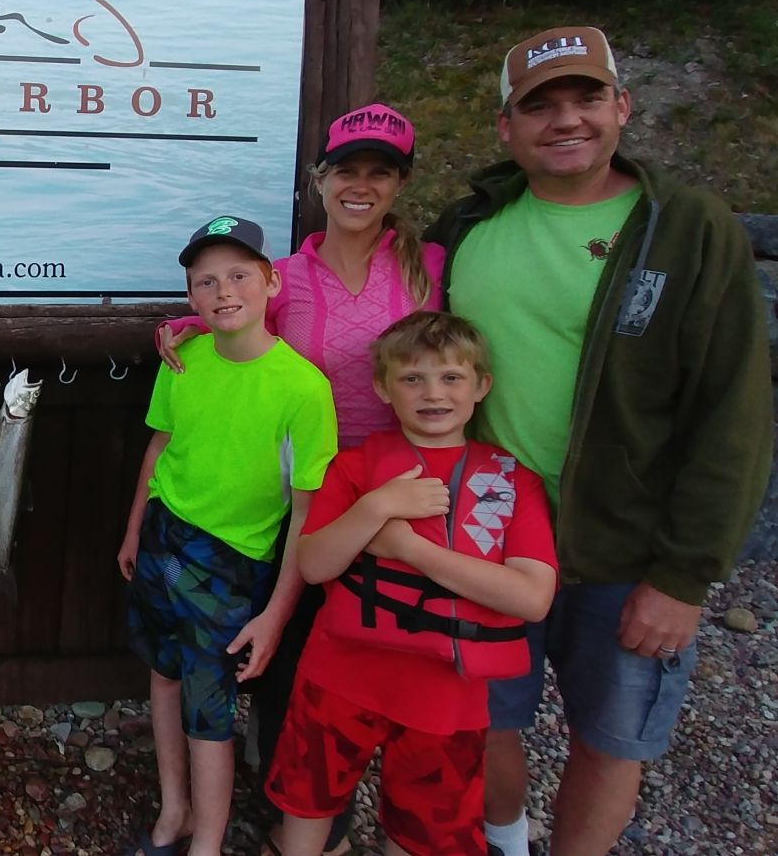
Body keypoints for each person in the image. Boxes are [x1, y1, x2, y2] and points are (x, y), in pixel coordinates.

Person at [427, 26, 772, 856]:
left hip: (625, 547)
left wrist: (683, 576)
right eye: (539, 105)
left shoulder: (687, 228)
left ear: (622, 106)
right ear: (506, 127)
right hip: (491, 536)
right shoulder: (470, 223)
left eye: (586, 98)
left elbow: (734, 409)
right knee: (481, 722)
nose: (566, 120)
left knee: (613, 739)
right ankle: (507, 841)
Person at [154, 103, 443, 855]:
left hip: (397, 485)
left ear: (400, 183)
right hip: (308, 491)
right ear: (319, 179)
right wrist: (184, 326)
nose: (361, 184)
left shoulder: (432, 266)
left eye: (380, 171)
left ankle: (400, 814)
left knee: (390, 657)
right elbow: (234, 322)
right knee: (302, 657)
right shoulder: (287, 274)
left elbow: (458, 358)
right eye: (346, 169)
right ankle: (303, 815)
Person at [264, 311, 558, 856]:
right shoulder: (356, 468)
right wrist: (376, 507)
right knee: (308, 804)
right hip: (340, 675)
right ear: (383, 387)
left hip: (447, 694)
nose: (433, 394)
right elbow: (315, 564)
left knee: (424, 833)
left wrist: (408, 548)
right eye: (412, 378)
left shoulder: (512, 481)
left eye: (450, 378)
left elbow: (532, 597)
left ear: (480, 387)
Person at [115, 216, 338, 856]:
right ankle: (174, 810)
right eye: (205, 281)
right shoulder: (184, 358)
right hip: (163, 538)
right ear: (190, 297)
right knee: (162, 675)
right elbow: (159, 449)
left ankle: (208, 843)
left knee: (210, 712)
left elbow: (304, 512)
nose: (223, 291)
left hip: (234, 563)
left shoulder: (303, 388)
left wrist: (274, 615)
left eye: (238, 275)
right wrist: (134, 530)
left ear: (271, 282)